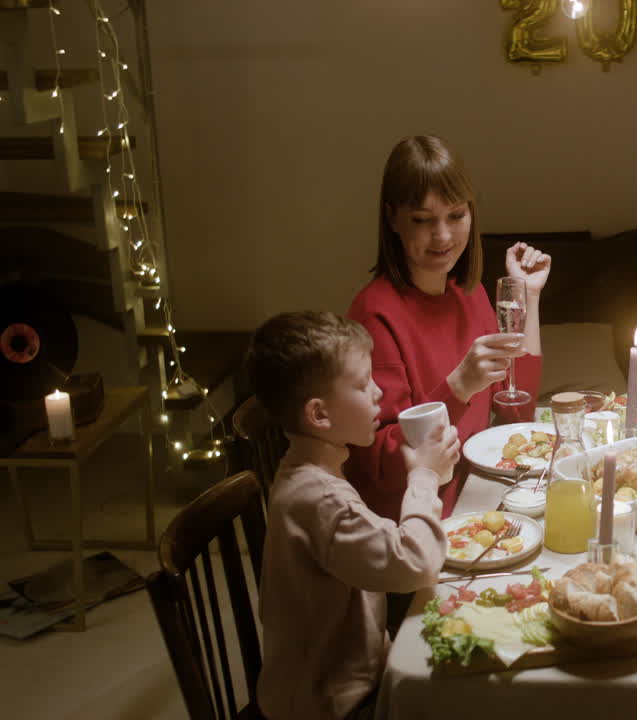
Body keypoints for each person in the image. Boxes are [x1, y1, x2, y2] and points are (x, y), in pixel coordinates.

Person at [247, 311, 459, 720]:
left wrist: (428, 478)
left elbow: (381, 549)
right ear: (320, 415)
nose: (379, 393)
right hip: (330, 703)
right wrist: (424, 478)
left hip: (345, 674)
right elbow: (414, 564)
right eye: (363, 384)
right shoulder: (320, 497)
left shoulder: (311, 470)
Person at [347, 135, 551, 521]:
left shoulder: (467, 294)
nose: (442, 236)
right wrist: (459, 387)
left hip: (476, 498)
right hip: (414, 522)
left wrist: (530, 297)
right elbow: (382, 461)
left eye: (455, 215)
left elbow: (517, 410)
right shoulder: (374, 314)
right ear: (392, 218)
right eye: (422, 220)